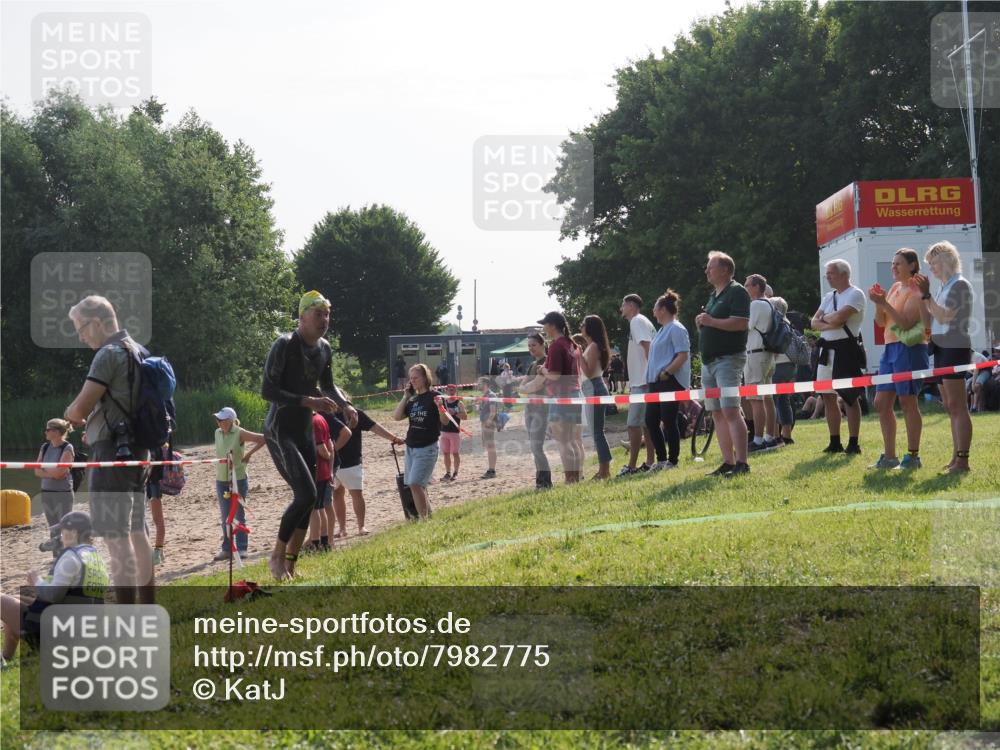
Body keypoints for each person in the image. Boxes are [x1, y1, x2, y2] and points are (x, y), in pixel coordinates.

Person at [64, 295, 154, 603]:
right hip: (140, 452)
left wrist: (72, 414)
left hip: (111, 454)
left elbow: (80, 407)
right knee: (138, 532)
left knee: (116, 539)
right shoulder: (139, 351)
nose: (81, 336)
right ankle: (147, 606)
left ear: (100, 322)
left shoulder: (107, 354)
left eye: (82, 327)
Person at [261, 291, 357, 580]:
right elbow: (268, 391)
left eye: (327, 314)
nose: (324, 320)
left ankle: (291, 564)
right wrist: (309, 402)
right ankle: (276, 558)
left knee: (311, 496)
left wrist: (345, 404)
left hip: (303, 428)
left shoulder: (324, 348)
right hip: (280, 428)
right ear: (302, 317)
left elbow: (327, 385)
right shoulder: (285, 345)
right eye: (318, 314)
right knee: (305, 493)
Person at [1, 511, 109, 665]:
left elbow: (53, 595)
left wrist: (36, 581)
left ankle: (8, 656)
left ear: (73, 532)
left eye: (62, 530)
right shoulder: (95, 557)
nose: (59, 535)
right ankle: (5, 657)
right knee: (15, 599)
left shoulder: (71, 557)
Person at [916, 241, 975, 473]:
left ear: (946, 261)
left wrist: (927, 296)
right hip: (942, 348)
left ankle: (963, 460)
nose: (931, 269)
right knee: (950, 406)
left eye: (933, 264)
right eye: (929, 264)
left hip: (955, 346)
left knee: (958, 406)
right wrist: (926, 297)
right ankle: (955, 457)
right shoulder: (943, 287)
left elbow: (944, 317)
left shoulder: (959, 285)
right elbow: (932, 318)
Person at [868, 249, 930, 470]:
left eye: (898, 264)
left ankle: (913, 456)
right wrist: (878, 303)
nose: (893, 268)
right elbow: (881, 322)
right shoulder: (895, 288)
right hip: (891, 348)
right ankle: (889, 456)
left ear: (912, 266)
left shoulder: (916, 291)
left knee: (907, 402)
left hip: (910, 349)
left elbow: (904, 323)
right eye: (892, 264)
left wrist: (884, 303)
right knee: (881, 402)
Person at [695, 251, 752, 478]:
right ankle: (728, 462)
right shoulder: (714, 295)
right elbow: (715, 324)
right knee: (716, 413)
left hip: (728, 359)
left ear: (725, 270)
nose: (706, 270)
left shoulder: (738, 292)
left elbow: (740, 324)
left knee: (730, 410)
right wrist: (704, 323)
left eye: (711, 266)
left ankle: (742, 463)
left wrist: (710, 321)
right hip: (709, 362)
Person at [811, 259, 867, 456]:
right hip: (827, 350)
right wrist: (829, 321)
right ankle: (834, 441)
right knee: (827, 396)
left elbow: (839, 318)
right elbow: (813, 322)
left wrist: (827, 320)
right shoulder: (829, 297)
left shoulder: (855, 294)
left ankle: (854, 442)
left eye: (831, 273)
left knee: (849, 397)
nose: (827, 277)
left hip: (846, 349)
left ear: (844, 274)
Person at [327, 406, 403, 536]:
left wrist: (394, 438)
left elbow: (375, 427)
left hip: (351, 460)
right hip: (333, 463)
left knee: (356, 494)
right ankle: (342, 528)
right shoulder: (328, 415)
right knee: (337, 496)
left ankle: (361, 526)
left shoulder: (354, 413)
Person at [393, 363, 449, 517]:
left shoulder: (435, 396)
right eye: (411, 379)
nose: (413, 381)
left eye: (416, 378)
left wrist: (440, 408)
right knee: (414, 485)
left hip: (427, 447)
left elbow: (444, 421)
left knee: (415, 483)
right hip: (411, 446)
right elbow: (397, 416)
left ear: (425, 378)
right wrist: (405, 396)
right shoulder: (412, 400)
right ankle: (428, 517)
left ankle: (423, 520)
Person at [645, 289, 691, 470]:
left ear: (663, 309)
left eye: (655, 308)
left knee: (669, 420)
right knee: (651, 421)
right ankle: (661, 459)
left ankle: (673, 460)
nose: (653, 312)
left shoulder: (676, 328)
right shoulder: (661, 330)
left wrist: (668, 372)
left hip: (669, 381)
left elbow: (683, 355)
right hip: (656, 383)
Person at [538, 311, 585, 484]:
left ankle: (569, 479)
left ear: (552, 325)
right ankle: (576, 477)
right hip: (574, 394)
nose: (543, 328)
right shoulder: (572, 344)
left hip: (560, 396)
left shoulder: (557, 346)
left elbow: (555, 375)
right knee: (572, 441)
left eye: (545, 324)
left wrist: (542, 370)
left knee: (563, 442)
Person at [213, 407, 265, 561]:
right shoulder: (217, 433)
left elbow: (262, 438)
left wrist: (248, 454)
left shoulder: (239, 432)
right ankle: (227, 548)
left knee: (239, 514)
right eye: (218, 419)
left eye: (221, 419)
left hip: (238, 479)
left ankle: (242, 548)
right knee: (225, 516)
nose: (219, 422)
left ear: (230, 420)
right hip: (221, 479)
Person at [618, 294, 657, 476]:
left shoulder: (637, 321)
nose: (621, 309)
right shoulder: (642, 321)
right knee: (646, 425)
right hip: (643, 381)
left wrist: (650, 375)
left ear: (631, 305)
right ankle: (650, 461)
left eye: (623, 305)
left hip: (642, 381)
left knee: (633, 424)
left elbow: (648, 347)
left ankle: (632, 466)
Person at [744, 274, 780, 452]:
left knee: (755, 400)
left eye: (748, 285)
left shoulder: (756, 304)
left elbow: (745, 326)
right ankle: (770, 437)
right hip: (767, 355)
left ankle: (758, 440)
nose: (745, 288)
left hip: (755, 355)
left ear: (757, 287)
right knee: (767, 398)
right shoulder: (770, 304)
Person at [35, 419, 76, 558]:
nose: (45, 432)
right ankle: (56, 557)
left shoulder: (67, 447)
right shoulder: (44, 447)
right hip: (46, 492)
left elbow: (61, 473)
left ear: (57, 432)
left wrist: (45, 469)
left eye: (48, 429)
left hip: (63, 492)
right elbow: (36, 471)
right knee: (53, 527)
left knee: (65, 525)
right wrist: (53, 470)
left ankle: (69, 555)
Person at [580, 315, 614, 479]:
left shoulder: (593, 347)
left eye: (583, 324)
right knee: (597, 432)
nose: (581, 327)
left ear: (590, 328)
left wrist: (578, 356)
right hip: (592, 388)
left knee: (597, 433)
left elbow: (589, 371)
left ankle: (605, 471)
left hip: (594, 387)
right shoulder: (592, 346)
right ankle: (603, 470)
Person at [517, 333, 553, 489]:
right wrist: (522, 388)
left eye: (534, 345)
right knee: (533, 446)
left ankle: (545, 481)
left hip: (541, 408)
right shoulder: (533, 364)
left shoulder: (546, 362)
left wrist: (523, 389)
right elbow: (524, 384)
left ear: (542, 344)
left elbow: (536, 385)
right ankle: (540, 480)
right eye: (529, 345)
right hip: (530, 408)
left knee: (536, 446)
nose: (531, 348)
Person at [768, 297, 798, 445]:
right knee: (784, 400)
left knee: (772, 401)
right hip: (790, 365)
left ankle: (774, 435)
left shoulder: (776, 323)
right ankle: (786, 434)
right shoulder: (788, 323)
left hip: (778, 365)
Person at [305, 411, 335, 552]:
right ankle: (325, 542)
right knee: (321, 508)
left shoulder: (312, 421)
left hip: (315, 472)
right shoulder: (321, 418)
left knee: (314, 510)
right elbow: (330, 445)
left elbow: (322, 448)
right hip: (323, 472)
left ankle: (316, 544)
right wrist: (329, 469)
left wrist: (327, 458)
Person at [439, 383, 467, 481]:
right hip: (443, 431)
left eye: (453, 390)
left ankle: (455, 473)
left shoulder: (459, 403)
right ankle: (447, 472)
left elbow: (465, 416)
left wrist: (454, 412)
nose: (451, 391)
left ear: (455, 391)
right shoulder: (443, 403)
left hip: (454, 432)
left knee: (455, 453)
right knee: (445, 453)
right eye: (449, 390)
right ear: (446, 391)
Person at [475, 376, 499, 478]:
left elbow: (493, 411)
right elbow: (482, 410)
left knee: (490, 447)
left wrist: (488, 422)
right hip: (484, 422)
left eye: (479, 383)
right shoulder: (485, 395)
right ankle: (491, 469)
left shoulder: (491, 395)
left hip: (488, 423)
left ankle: (492, 470)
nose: (477, 385)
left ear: (485, 384)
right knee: (488, 446)